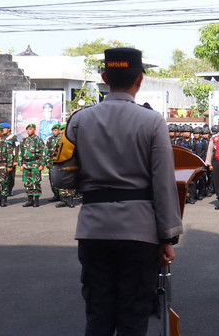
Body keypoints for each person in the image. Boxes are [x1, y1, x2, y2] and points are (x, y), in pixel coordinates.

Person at [55, 48, 182, 336]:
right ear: (140, 79)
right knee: (133, 317)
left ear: (104, 78)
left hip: (93, 230)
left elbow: (61, 177)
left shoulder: (79, 120)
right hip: (139, 234)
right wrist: (168, 237)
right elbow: (163, 183)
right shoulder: (152, 121)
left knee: (98, 314)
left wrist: (89, 182)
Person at [18, 123, 47, 207]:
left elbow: (44, 152)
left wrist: (42, 164)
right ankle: (30, 200)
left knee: (36, 182)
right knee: (27, 182)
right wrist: (21, 164)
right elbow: (21, 153)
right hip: (26, 164)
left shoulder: (38, 140)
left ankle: (36, 200)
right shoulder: (24, 140)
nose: (28, 131)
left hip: (35, 163)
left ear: (34, 130)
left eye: (30, 129)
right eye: (27, 129)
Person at [55, 123, 76, 208]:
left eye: (64, 129)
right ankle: (63, 200)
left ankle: (70, 200)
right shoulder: (58, 140)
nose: (62, 131)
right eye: (61, 130)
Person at [0, 125, 13, 207]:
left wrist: (9, 166)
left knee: (4, 182)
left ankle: (3, 200)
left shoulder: (6, 143)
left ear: (1, 133)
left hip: (2, 164)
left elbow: (10, 154)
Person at [45, 124, 62, 202]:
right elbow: (47, 151)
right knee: (52, 179)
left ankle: (63, 196)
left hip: (60, 162)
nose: (54, 132)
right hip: (52, 163)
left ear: (59, 130)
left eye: (55, 130)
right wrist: (47, 161)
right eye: (53, 130)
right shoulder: (50, 139)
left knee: (61, 178)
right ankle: (56, 195)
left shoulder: (62, 138)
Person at [1, 123, 18, 196]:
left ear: (9, 129)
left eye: (4, 128)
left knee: (10, 175)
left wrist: (15, 160)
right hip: (1, 160)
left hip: (10, 159)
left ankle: (10, 189)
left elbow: (17, 149)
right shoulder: (0, 137)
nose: (2, 130)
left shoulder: (13, 137)